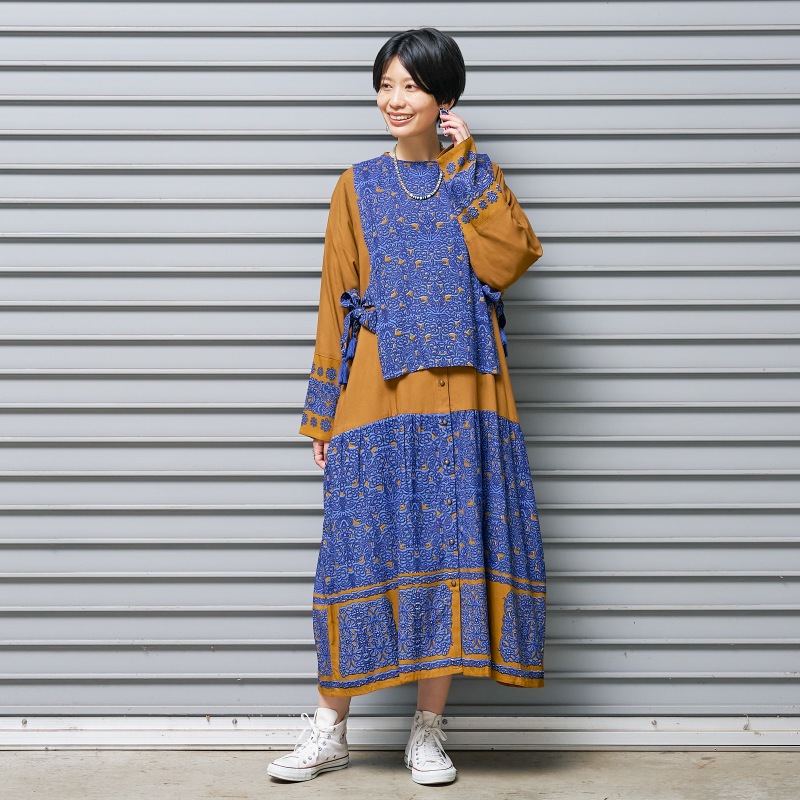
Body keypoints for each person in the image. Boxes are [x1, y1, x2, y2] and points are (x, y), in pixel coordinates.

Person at [267, 27, 545, 786]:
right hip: (376, 394)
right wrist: (322, 412)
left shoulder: (473, 177)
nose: (394, 100)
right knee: (356, 553)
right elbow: (334, 301)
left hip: (465, 397)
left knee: (447, 554)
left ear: (443, 98)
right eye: (385, 85)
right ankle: (329, 729)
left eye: (411, 86)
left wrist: (465, 162)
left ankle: (427, 732)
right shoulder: (355, 185)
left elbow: (510, 259)